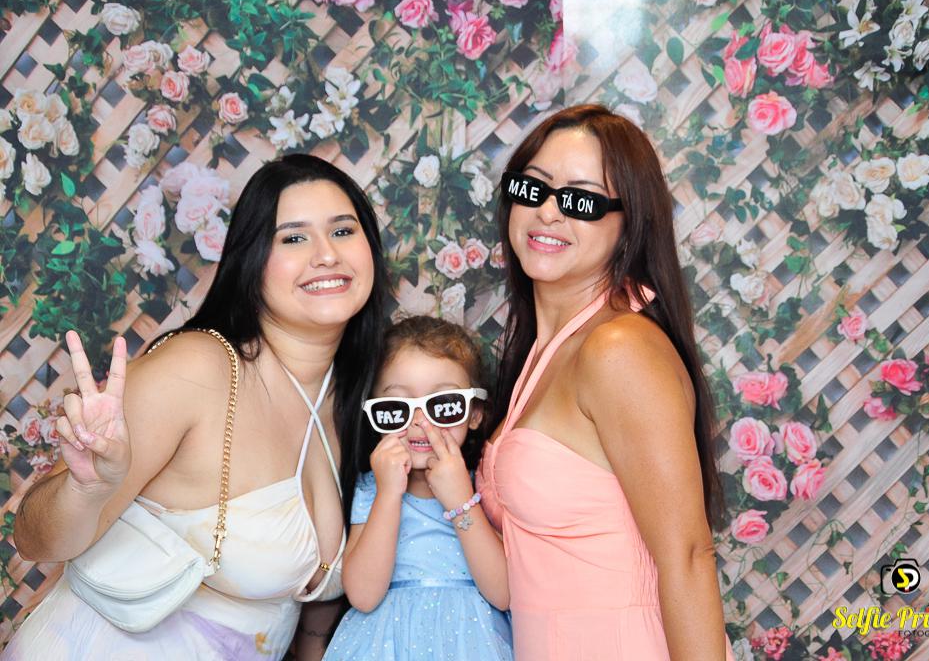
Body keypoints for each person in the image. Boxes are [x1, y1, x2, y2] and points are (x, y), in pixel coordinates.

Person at [4, 154, 389, 660]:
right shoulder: (199, 367)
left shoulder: (354, 399)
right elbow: (35, 542)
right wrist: (86, 489)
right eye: (293, 238)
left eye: (342, 231)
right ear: (252, 260)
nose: (326, 255)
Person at [476, 104, 737, 660]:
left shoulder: (617, 348)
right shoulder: (543, 350)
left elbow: (688, 556)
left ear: (629, 224)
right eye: (533, 188)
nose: (549, 212)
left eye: (582, 200)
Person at [326, 316, 513, 661]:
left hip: (472, 643)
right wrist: (388, 494)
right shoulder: (372, 489)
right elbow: (364, 595)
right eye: (396, 408)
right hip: (385, 645)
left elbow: (503, 593)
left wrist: (460, 499)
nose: (419, 423)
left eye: (443, 405)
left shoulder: (485, 483)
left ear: (475, 414)